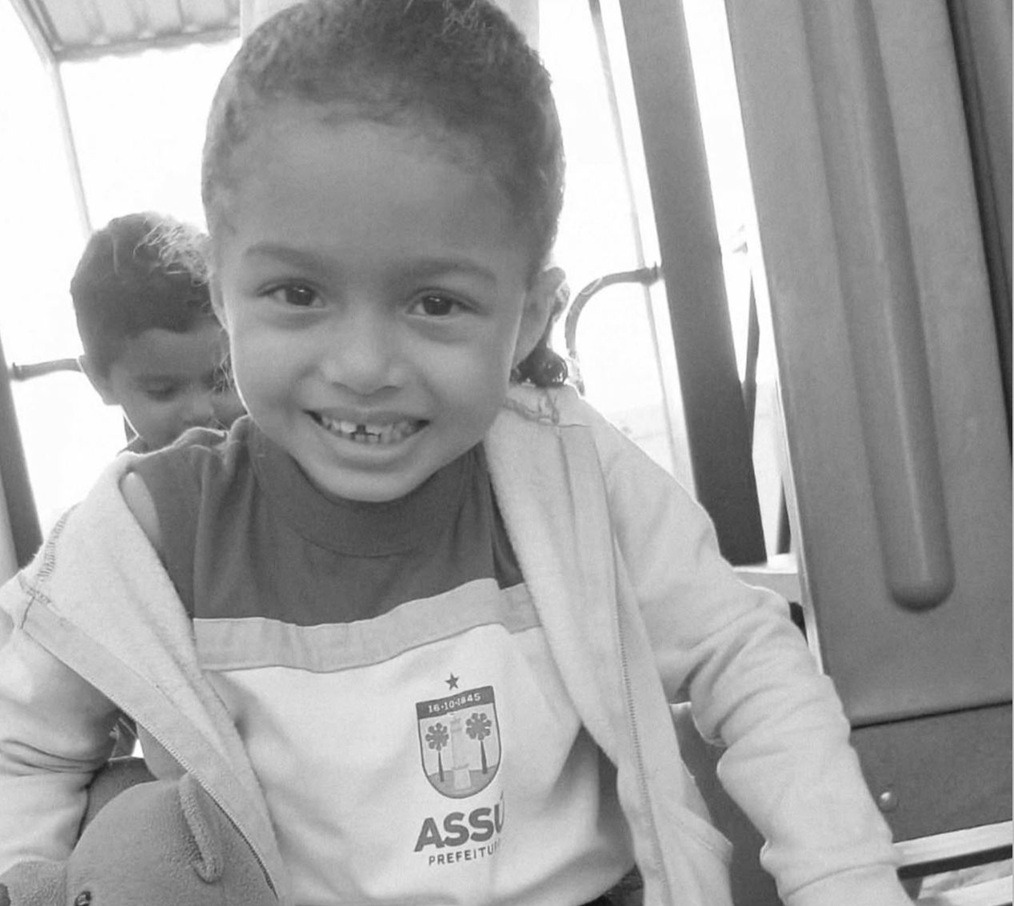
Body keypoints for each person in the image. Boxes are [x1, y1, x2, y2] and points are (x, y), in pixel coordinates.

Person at [0, 2, 913, 904]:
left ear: (531, 317)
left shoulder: (566, 474)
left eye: (435, 303)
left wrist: (845, 882)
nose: (362, 366)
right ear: (220, 293)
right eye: (298, 292)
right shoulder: (153, 534)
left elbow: (744, 659)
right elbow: (24, 745)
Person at [70, 211, 245, 452]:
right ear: (101, 383)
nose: (200, 412)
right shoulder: (126, 477)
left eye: (224, 382)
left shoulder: (288, 451)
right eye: (163, 392)